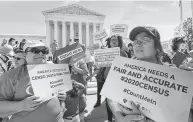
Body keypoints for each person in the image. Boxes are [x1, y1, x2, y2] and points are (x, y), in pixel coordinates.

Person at [107, 26, 166, 122]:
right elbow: (111, 96)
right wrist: (119, 116)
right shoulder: (123, 68)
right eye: (135, 41)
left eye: (145, 39)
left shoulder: (172, 75)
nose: (138, 44)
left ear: (157, 46)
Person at [0, 40, 67, 122]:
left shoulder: (54, 70)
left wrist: (62, 97)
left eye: (44, 51)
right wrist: (21, 105)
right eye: (35, 51)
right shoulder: (11, 76)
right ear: (25, 54)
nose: (41, 54)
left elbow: (60, 98)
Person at [94, 35, 128, 122]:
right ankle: (110, 119)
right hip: (106, 80)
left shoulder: (123, 53)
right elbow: (100, 65)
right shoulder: (105, 52)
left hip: (118, 81)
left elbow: (126, 68)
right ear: (109, 42)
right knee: (108, 101)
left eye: (116, 40)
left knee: (118, 102)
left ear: (119, 42)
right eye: (112, 40)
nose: (114, 41)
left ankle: (117, 118)